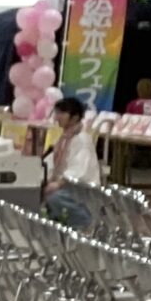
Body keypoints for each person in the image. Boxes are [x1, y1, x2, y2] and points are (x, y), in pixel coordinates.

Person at [45, 93, 103, 226]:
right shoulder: (65, 138)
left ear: (75, 117)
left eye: (61, 113)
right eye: (57, 112)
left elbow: (79, 170)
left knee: (55, 197)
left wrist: (58, 184)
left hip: (80, 187)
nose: (57, 117)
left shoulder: (82, 139)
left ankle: (86, 224)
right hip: (65, 184)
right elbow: (52, 161)